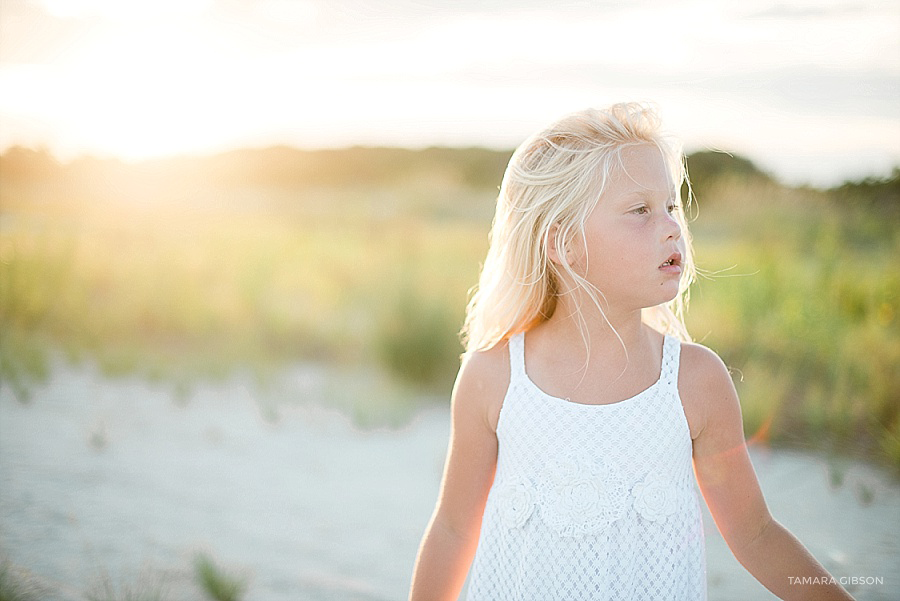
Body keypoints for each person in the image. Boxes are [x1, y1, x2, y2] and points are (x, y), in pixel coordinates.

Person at [408, 103, 854, 600]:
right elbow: (452, 529)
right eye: (640, 210)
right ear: (564, 243)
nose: (670, 227)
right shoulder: (493, 378)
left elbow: (755, 533)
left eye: (671, 206)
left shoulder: (693, 380)